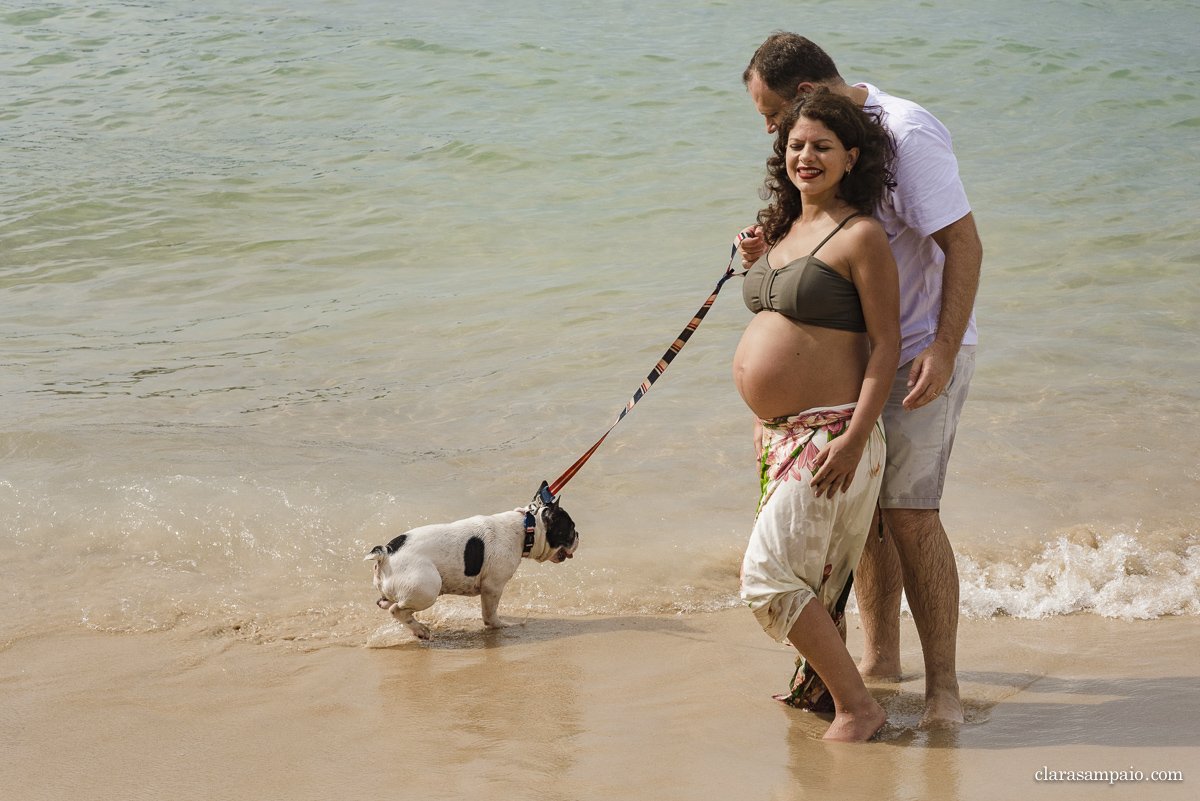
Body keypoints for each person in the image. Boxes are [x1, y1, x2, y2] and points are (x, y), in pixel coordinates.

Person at [740, 32, 982, 728]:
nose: (773, 132)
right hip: (855, 365)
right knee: (869, 517)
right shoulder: (823, 157)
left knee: (911, 515)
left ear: (809, 95)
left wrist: (939, 346)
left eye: (773, 112)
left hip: (915, 353)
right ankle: (879, 662)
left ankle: (945, 690)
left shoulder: (908, 134)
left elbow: (963, 241)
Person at [734, 88, 900, 743]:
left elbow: (887, 344)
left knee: (766, 577)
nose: (806, 156)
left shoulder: (861, 234)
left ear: (850, 156)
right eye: (797, 144)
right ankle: (833, 695)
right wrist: (758, 261)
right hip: (783, 437)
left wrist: (856, 438)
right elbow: (782, 320)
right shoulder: (783, 229)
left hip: (835, 432)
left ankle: (860, 706)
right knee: (804, 573)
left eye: (822, 147)